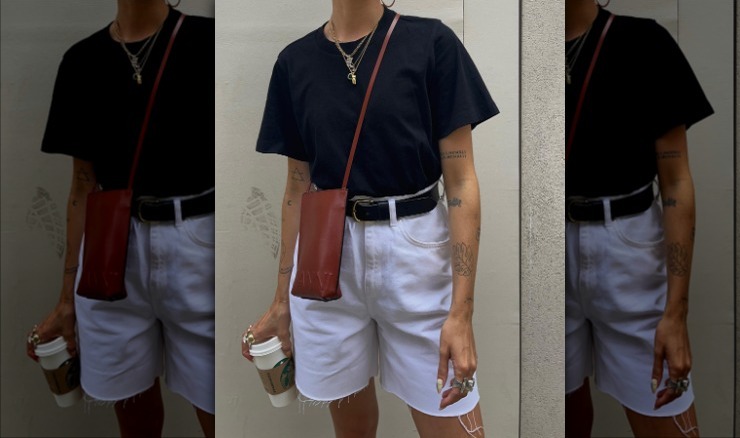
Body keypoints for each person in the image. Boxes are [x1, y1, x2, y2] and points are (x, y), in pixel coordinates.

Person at [240, 0, 498, 436]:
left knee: (453, 416)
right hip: (325, 259)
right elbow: (296, 187)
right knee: (352, 427)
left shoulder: (431, 43)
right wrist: (281, 299)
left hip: (417, 250)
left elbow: (460, 180)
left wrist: (461, 312)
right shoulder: (295, 62)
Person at [25, 1, 215, 436]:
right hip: (110, 248)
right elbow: (81, 186)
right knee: (132, 412)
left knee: (212, 403)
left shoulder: (205, 42)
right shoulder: (81, 60)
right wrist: (65, 299)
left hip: (198, 241)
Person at [564, 0, 714, 436]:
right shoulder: (526, 52)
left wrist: (676, 311)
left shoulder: (644, 41)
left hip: (629, 242)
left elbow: (675, 180)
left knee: (664, 409)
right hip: (549, 247)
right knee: (561, 412)